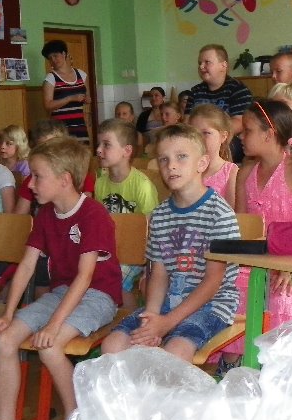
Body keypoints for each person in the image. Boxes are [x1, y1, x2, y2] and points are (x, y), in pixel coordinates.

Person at [0, 137, 121, 420]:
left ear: (64, 180)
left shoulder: (93, 214)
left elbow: (86, 277)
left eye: (37, 176)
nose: (30, 184)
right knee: (5, 339)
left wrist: (53, 324)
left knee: (49, 346)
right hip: (63, 292)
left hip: (99, 294)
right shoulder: (46, 214)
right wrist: (8, 313)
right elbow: (26, 265)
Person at [101, 124, 240, 362]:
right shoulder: (160, 215)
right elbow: (159, 273)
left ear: (202, 163)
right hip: (168, 301)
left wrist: (166, 324)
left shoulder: (220, 214)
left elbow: (213, 282)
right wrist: (152, 318)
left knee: (175, 353)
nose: (171, 165)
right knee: (112, 346)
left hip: (212, 305)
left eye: (181, 157)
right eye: (164, 159)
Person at [223, 100, 292, 366]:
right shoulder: (245, 173)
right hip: (254, 263)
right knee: (231, 293)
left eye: (247, 131)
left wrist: (289, 267)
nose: (241, 136)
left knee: (281, 299)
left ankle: (276, 366)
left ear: (269, 134)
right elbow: (242, 229)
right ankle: (236, 363)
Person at [94, 119, 159, 308]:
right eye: (98, 144)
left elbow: (152, 227)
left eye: (106, 145)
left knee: (116, 279)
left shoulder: (142, 185)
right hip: (111, 249)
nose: (98, 150)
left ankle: (129, 318)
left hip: (136, 251)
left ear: (127, 151)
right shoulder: (100, 182)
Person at [188, 45, 254, 162]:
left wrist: (212, 136)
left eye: (207, 62)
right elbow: (187, 121)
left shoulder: (238, 90)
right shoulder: (195, 91)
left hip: (227, 140)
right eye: (200, 63)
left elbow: (240, 123)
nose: (201, 66)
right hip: (196, 138)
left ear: (223, 65)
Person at [187, 104, 239, 209]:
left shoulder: (231, 172)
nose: (199, 138)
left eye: (206, 133)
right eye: (194, 133)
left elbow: (232, 213)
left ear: (223, 136)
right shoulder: (186, 169)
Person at [41, 40, 91, 143]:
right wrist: (70, 98)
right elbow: (48, 105)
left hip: (79, 124)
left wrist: (86, 99)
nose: (53, 60)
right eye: (50, 58)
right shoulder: (51, 78)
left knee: (81, 151)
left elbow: (88, 98)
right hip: (59, 127)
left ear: (64, 54)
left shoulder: (81, 74)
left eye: (55, 56)